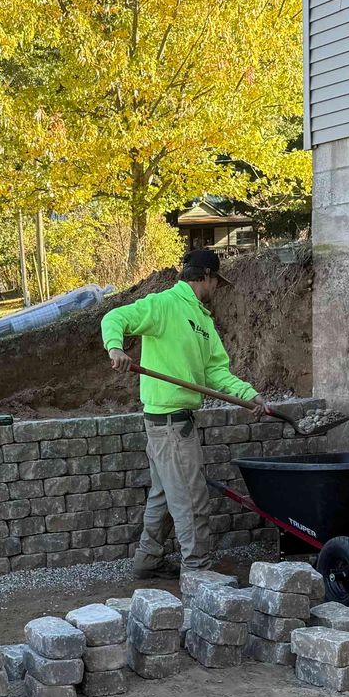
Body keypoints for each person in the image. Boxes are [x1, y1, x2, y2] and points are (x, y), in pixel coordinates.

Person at [99, 247, 262, 577]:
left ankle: (148, 560)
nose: (217, 287)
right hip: (169, 424)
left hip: (175, 424)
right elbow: (114, 317)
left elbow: (216, 371)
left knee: (164, 497)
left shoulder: (202, 320)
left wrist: (249, 395)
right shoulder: (164, 305)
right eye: (217, 280)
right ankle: (198, 572)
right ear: (205, 276)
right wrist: (115, 346)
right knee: (191, 501)